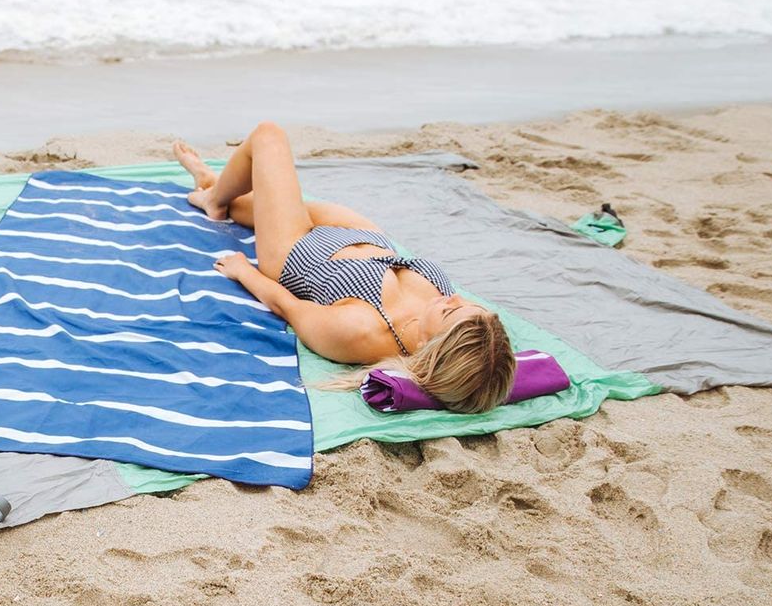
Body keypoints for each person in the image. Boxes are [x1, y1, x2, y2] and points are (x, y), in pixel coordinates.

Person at [172, 122, 516, 414]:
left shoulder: (361, 332)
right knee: (272, 195)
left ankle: (213, 194)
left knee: (268, 135)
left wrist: (243, 270)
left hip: (296, 250)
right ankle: (214, 189)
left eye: (449, 312)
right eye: (469, 307)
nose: (454, 298)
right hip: (365, 238)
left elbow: (289, 307)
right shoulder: (470, 332)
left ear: (429, 346)